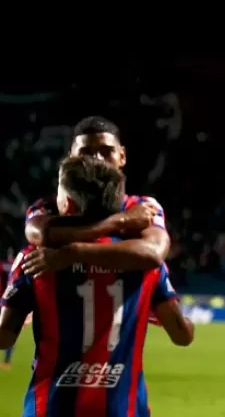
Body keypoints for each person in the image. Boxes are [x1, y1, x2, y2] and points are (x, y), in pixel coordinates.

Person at [0, 156, 194, 416]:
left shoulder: (37, 258)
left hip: (51, 407)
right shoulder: (143, 258)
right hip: (123, 409)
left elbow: (4, 336)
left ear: (66, 204)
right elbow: (182, 335)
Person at [20, 116, 171, 277]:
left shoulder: (142, 205)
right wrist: (119, 220)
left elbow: (154, 252)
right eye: (85, 152)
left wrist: (74, 252)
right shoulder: (47, 207)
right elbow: (38, 234)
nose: (97, 159)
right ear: (72, 158)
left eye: (106, 151)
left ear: (122, 156)